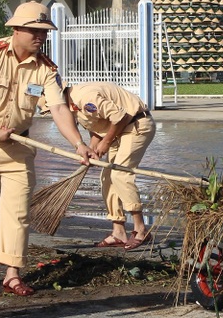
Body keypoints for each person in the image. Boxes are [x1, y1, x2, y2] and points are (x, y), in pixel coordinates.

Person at [0, 1, 92, 294]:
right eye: (34, 30)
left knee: (18, 210)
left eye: (44, 31)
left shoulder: (46, 70)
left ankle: (12, 272)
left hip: (19, 146)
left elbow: (59, 109)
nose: (40, 36)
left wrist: (78, 144)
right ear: (17, 29)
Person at [63, 82, 155, 250]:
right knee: (107, 177)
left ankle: (141, 229)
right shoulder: (73, 104)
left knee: (120, 174)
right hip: (119, 129)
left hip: (136, 125)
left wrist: (105, 143)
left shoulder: (85, 98)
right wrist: (93, 150)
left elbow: (120, 116)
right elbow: (98, 125)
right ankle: (118, 231)